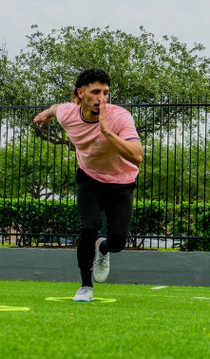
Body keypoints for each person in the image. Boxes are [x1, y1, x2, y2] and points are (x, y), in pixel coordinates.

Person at [33, 67, 143, 302]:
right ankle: (85, 286)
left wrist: (107, 131)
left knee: (118, 241)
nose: (101, 99)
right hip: (90, 178)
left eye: (105, 92)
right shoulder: (67, 113)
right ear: (80, 94)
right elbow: (56, 108)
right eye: (95, 92)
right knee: (88, 228)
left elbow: (137, 155)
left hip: (122, 182)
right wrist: (46, 114)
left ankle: (103, 248)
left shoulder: (120, 117)